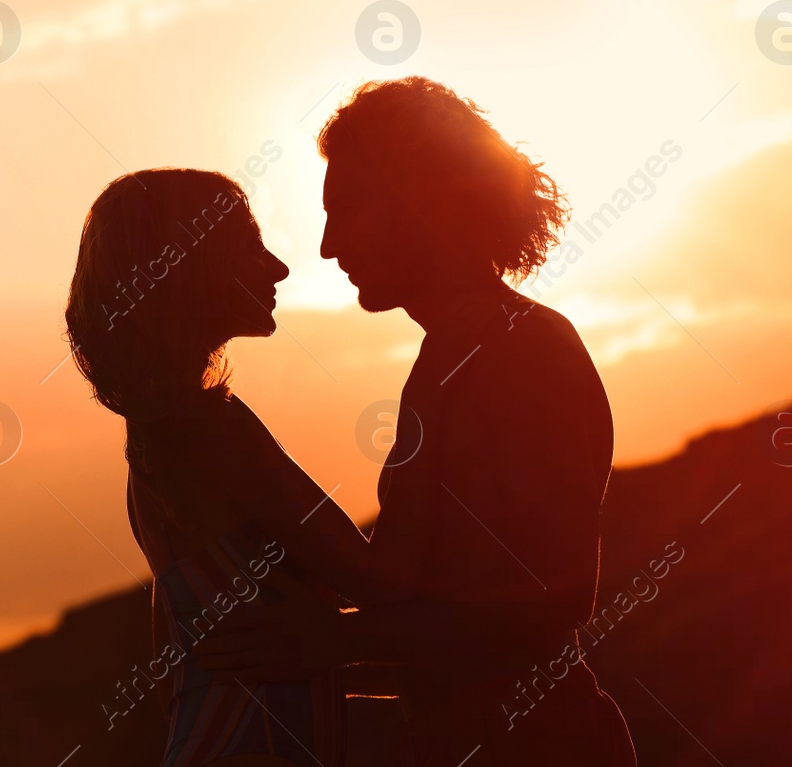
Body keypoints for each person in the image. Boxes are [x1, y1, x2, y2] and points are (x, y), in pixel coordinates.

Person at [196, 77, 638, 765]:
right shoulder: (452, 354)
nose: (327, 244)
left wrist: (335, 641)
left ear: (425, 197)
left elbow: (553, 598)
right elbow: (445, 615)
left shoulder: (523, 348)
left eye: (348, 209)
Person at [64, 168, 395, 767]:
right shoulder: (209, 429)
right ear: (187, 267)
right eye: (247, 245)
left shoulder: (155, 438)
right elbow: (370, 578)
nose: (278, 268)